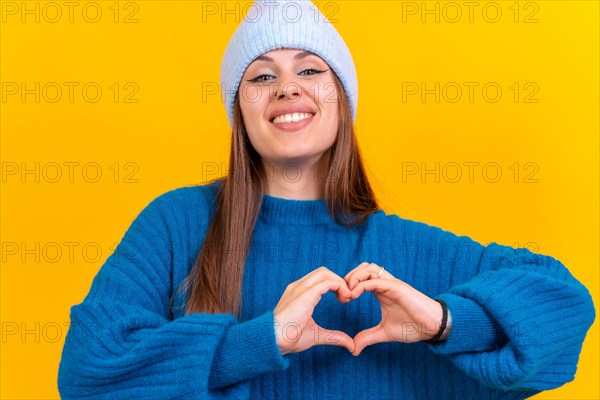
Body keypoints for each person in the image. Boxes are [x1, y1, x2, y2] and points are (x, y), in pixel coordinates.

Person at [57, 1, 596, 399]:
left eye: (310, 70)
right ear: (239, 112)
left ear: (342, 100)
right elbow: (87, 371)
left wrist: (444, 323)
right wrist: (256, 341)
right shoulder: (178, 224)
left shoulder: (400, 248)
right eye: (262, 75)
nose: (287, 88)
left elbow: (565, 305)